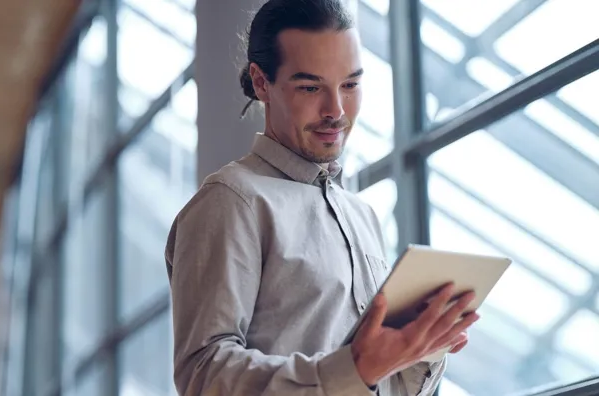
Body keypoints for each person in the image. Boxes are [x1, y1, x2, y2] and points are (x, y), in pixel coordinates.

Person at [165, 0, 479, 394]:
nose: (337, 110)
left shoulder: (361, 214)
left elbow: (382, 385)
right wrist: (352, 369)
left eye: (350, 85)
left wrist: (420, 350)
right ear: (262, 82)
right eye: (310, 87)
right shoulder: (231, 202)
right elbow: (203, 375)